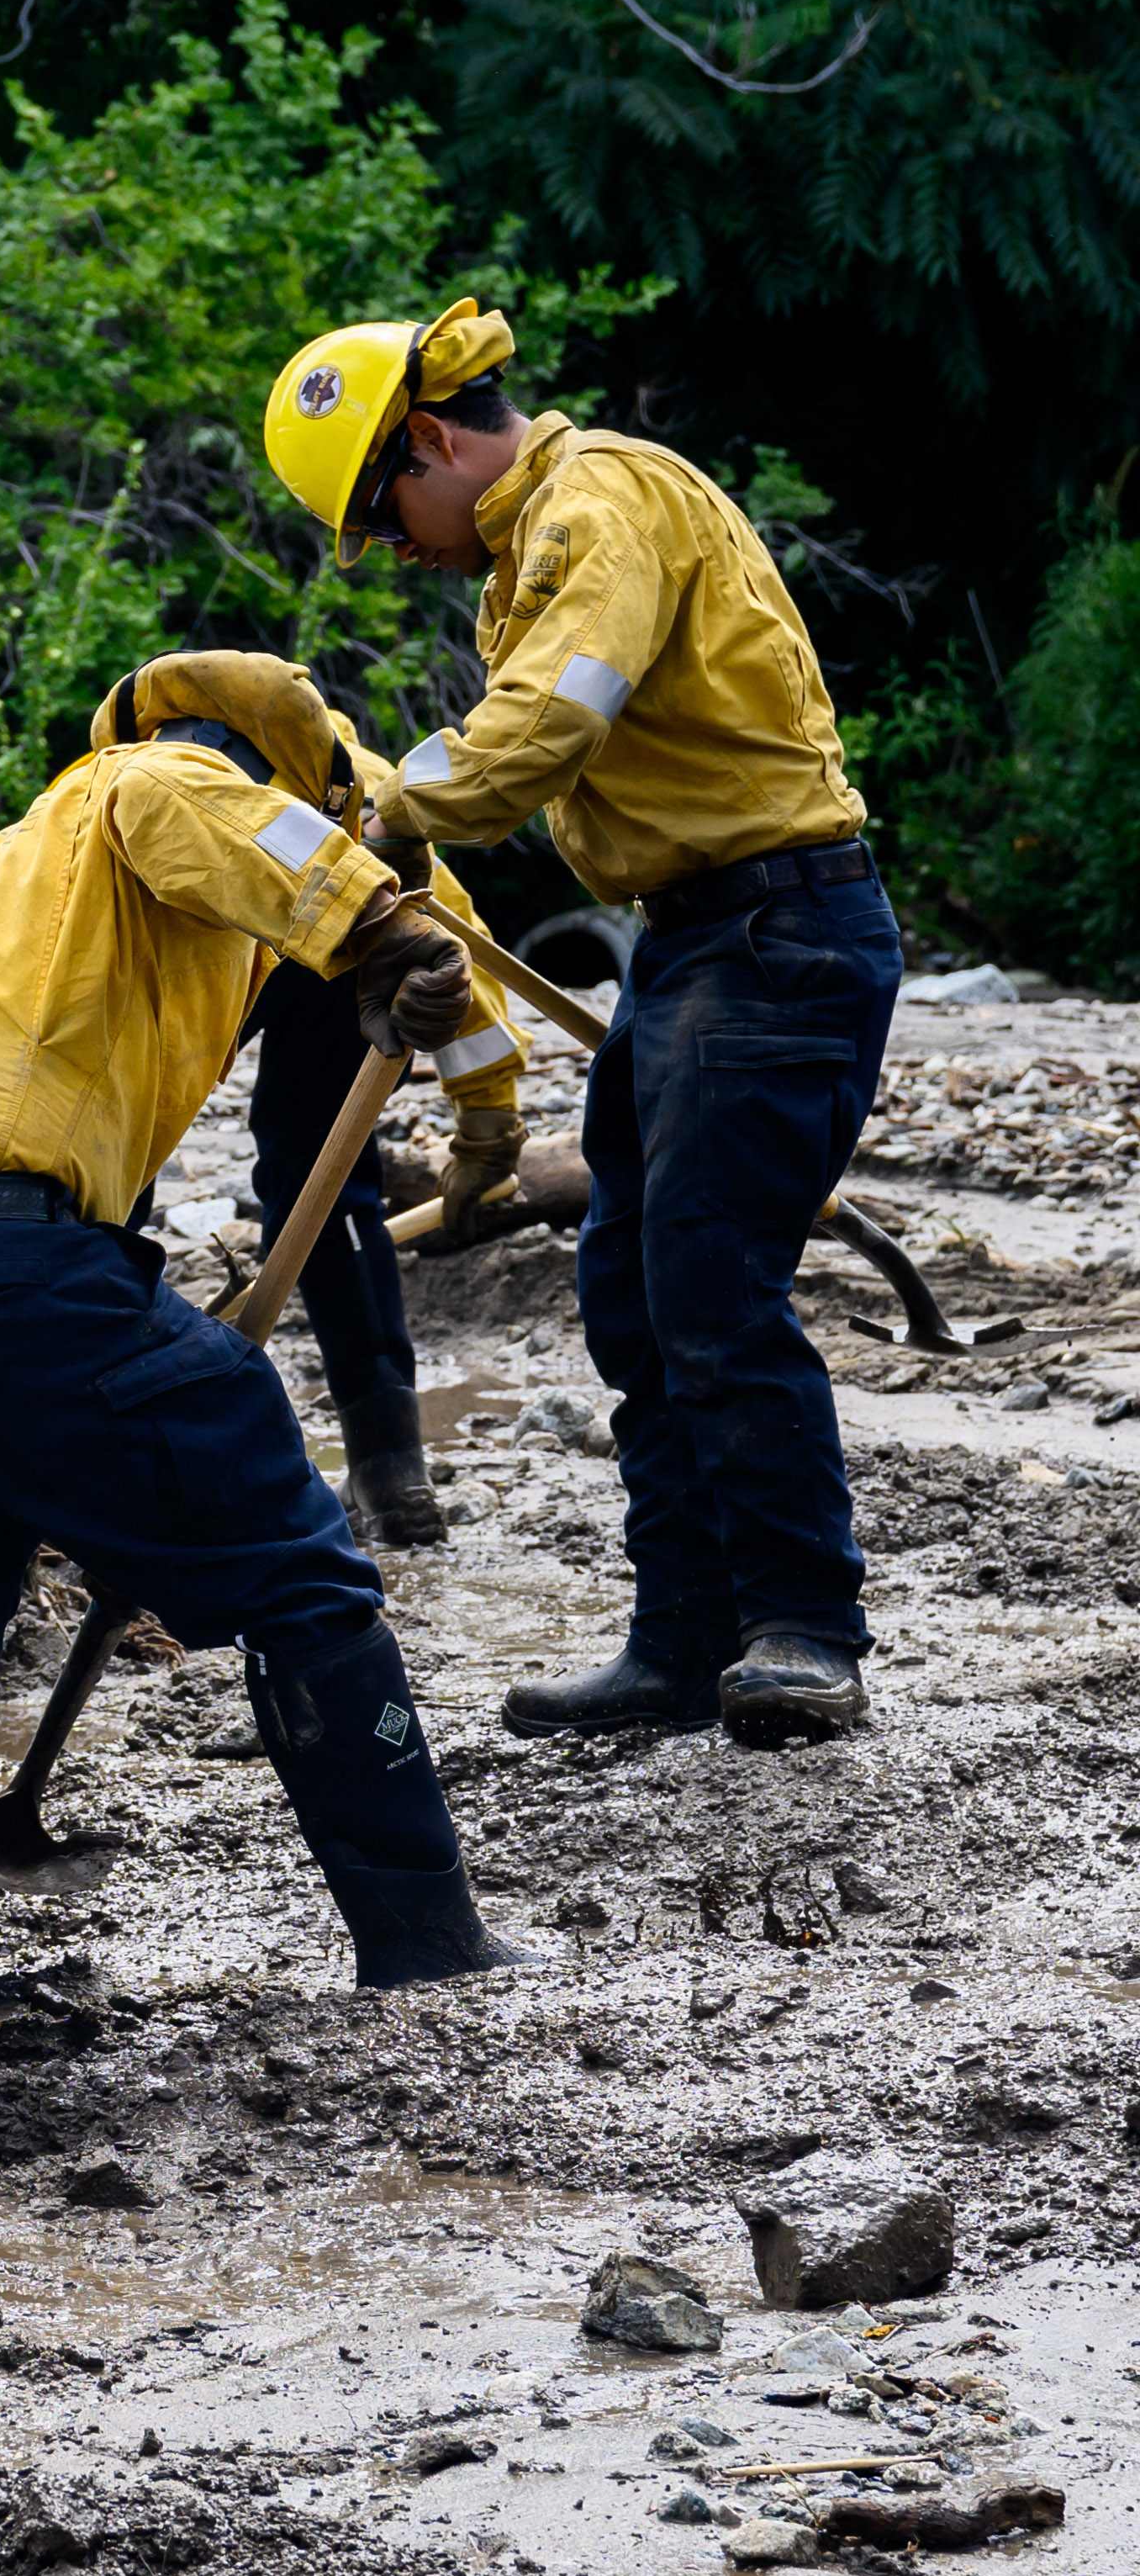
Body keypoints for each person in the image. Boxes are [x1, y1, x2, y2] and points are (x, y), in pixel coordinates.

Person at [0, 649, 546, 2161]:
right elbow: (339, 886)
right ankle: (431, 1956)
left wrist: (483, 1140)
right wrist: (375, 924)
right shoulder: (157, 784)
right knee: (297, 1566)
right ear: (292, 786)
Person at [262, 299, 895, 1746]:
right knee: (629, 1283)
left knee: (709, 1288)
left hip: (769, 938)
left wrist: (366, 807)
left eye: (383, 510)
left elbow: (543, 725)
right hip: (695, 945)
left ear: (430, 438)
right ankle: (681, 1641)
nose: (393, 547)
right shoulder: (538, 535)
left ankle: (802, 1630)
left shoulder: (594, 501)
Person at [102, 680, 536, 1553]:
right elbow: (457, 971)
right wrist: (486, 1136)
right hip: (330, 945)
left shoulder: (123, 782)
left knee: (115, 1170)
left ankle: (104, 1462)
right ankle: (389, 1464)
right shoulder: (365, 793)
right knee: (330, 1184)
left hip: (205, 939)